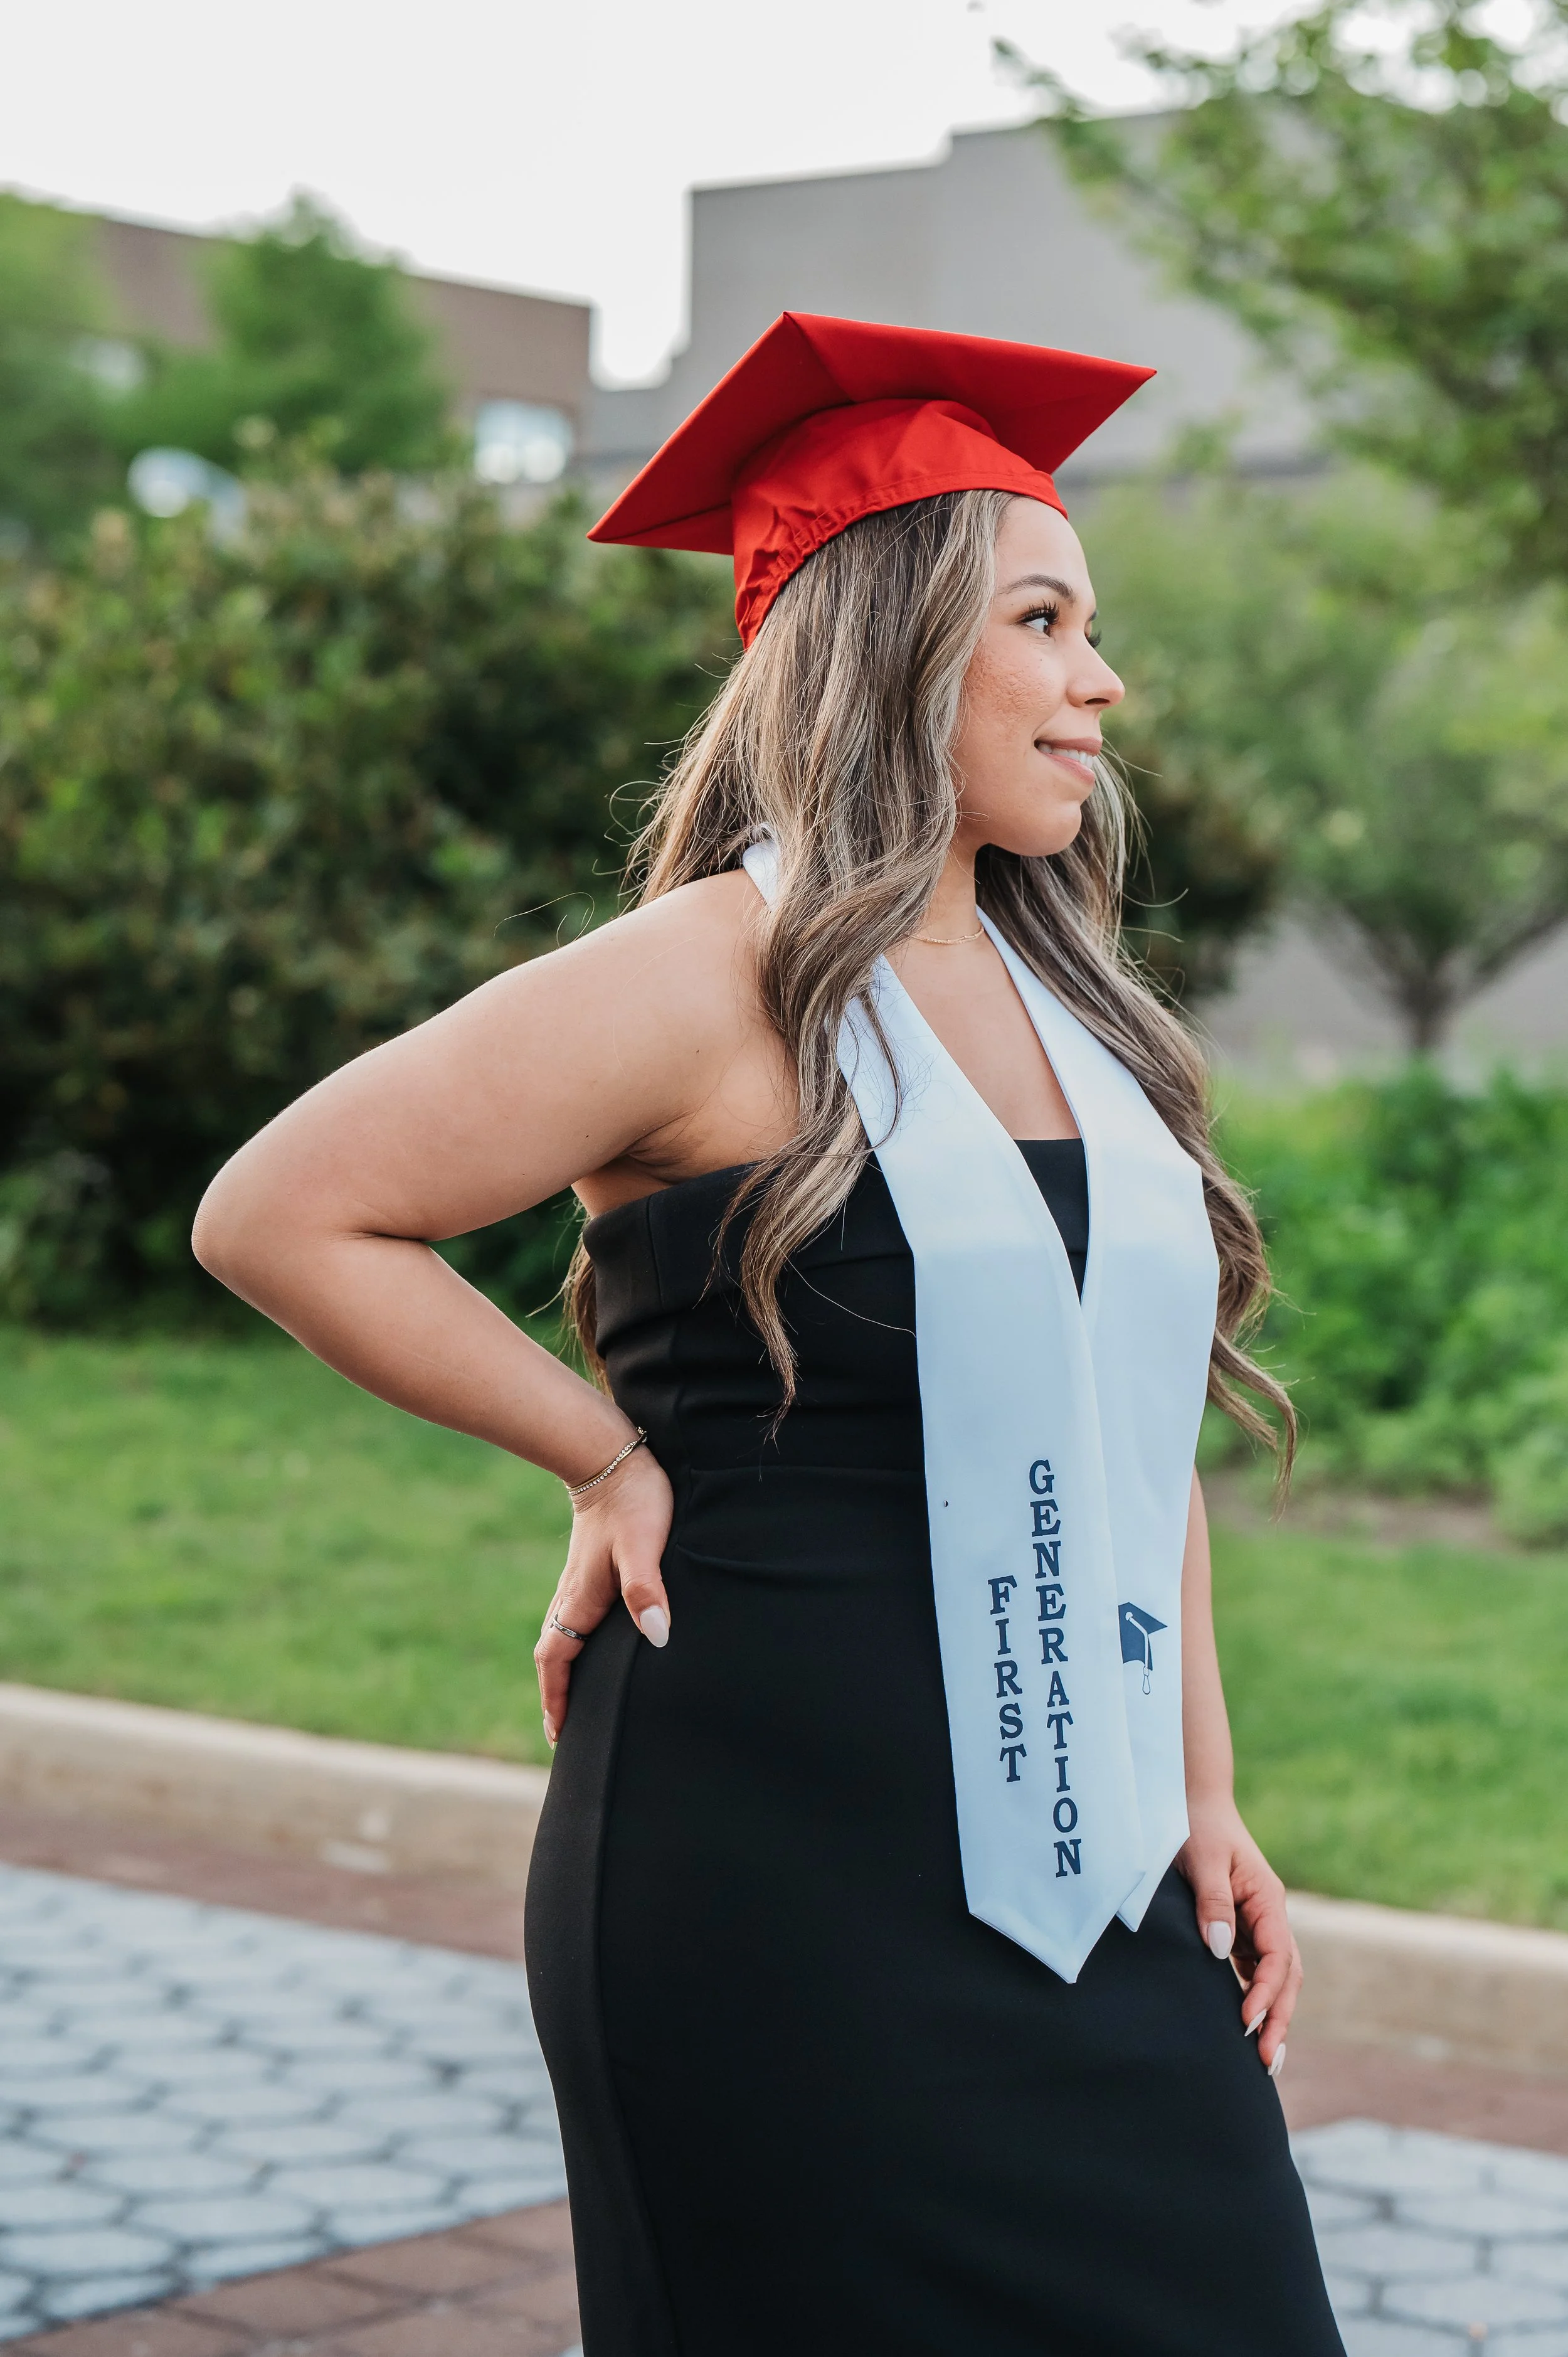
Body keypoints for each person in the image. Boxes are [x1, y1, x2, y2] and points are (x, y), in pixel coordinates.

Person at [194, 313, 1345, 2357]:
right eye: (1047, 619)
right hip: (781, 1888)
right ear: (894, 642)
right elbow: (284, 1209)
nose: (1103, 683)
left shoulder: (1076, 1010)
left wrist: (1204, 1788)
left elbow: (1124, 1421)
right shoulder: (707, 978)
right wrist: (604, 1449)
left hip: (1093, 1892)